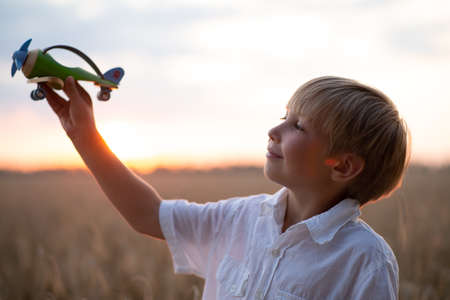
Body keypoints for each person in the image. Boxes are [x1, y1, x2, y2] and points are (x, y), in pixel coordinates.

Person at [43, 75, 410, 300]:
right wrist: (85, 137)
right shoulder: (240, 217)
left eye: (299, 126)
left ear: (343, 166)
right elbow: (147, 214)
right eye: (284, 117)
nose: (274, 130)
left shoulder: (364, 259)